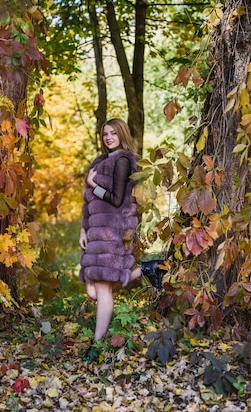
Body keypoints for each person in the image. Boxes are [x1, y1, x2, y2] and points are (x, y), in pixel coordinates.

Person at [79, 118, 141, 363]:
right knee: (94, 291)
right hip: (95, 233)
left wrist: (93, 184)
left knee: (103, 290)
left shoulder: (123, 160)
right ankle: (143, 271)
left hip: (113, 232)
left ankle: (96, 345)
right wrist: (83, 230)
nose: (108, 138)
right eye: (105, 134)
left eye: (113, 133)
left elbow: (116, 199)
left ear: (122, 134)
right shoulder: (100, 161)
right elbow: (89, 203)